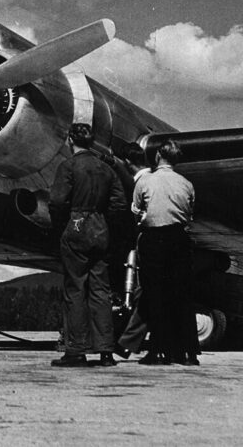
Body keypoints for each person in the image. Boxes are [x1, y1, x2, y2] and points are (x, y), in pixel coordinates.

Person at [49, 123, 127, 367]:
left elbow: (57, 202)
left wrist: (66, 225)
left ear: (71, 140)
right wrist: (103, 222)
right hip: (100, 229)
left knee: (75, 290)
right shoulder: (106, 168)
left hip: (76, 226)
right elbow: (119, 204)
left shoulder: (68, 166)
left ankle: (76, 351)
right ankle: (106, 351)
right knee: (101, 291)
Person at [131, 139, 199, 366]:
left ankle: (159, 350)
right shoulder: (187, 183)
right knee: (183, 294)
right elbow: (190, 213)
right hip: (179, 238)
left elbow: (136, 209)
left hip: (154, 238)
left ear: (158, 156)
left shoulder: (146, 181)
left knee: (156, 295)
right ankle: (188, 353)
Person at [113, 143, 152, 359]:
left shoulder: (140, 184)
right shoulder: (169, 179)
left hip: (150, 241)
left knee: (145, 293)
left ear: (128, 163)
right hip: (174, 241)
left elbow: (137, 215)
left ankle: (128, 342)